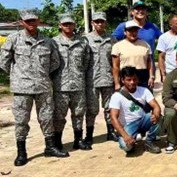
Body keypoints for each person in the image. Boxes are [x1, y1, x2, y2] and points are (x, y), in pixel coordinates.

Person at [0, 9, 69, 166]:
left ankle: (50, 147)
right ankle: (21, 152)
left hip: (42, 86)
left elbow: (55, 62)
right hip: (21, 88)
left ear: (38, 20)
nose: (31, 23)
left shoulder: (48, 41)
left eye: (34, 20)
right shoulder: (13, 39)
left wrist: (41, 74)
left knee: (46, 118)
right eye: (28, 20)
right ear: (21, 22)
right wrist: (17, 76)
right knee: (21, 121)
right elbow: (3, 61)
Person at [52, 13, 92, 151]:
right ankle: (57, 142)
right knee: (58, 116)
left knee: (79, 114)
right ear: (60, 25)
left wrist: (79, 74)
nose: (68, 26)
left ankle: (78, 140)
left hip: (78, 84)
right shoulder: (53, 42)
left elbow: (86, 62)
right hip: (60, 86)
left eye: (70, 23)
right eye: (65, 24)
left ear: (74, 25)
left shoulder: (82, 42)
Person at [109, 66, 162, 155]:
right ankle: (131, 141)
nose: (132, 82)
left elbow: (156, 106)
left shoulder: (144, 90)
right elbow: (113, 118)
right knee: (126, 146)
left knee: (160, 117)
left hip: (143, 119)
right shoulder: (116, 96)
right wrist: (125, 136)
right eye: (128, 80)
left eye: (134, 79)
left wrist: (155, 115)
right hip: (128, 125)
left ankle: (149, 142)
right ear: (122, 80)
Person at [84, 12, 118, 143]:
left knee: (109, 107)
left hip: (108, 79)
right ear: (92, 23)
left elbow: (115, 61)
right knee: (92, 109)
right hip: (91, 80)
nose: (99, 24)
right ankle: (89, 135)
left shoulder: (112, 39)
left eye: (102, 21)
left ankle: (111, 132)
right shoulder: (85, 40)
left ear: (105, 23)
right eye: (97, 21)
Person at [112, 20, 154, 90]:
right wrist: (117, 83)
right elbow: (115, 67)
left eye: (135, 31)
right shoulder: (117, 46)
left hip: (143, 77)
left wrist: (151, 77)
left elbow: (149, 62)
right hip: (127, 77)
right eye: (130, 31)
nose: (133, 33)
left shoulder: (145, 45)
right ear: (125, 32)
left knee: (144, 99)